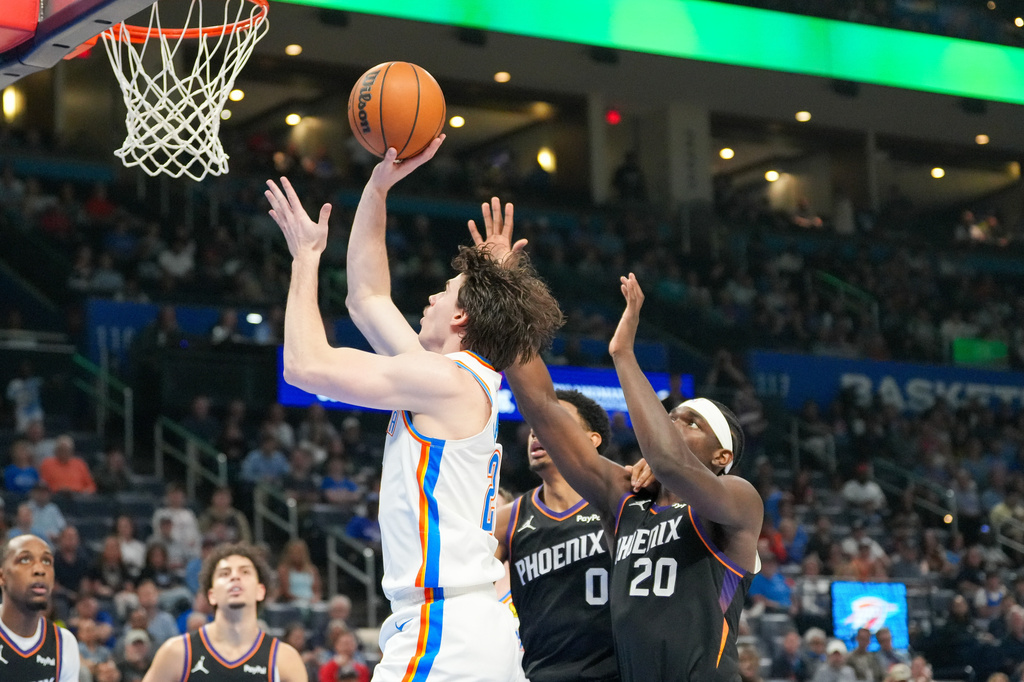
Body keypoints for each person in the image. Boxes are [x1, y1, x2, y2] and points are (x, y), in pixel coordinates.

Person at [265, 136, 562, 681]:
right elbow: (367, 297)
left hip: (446, 629)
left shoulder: (445, 381)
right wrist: (377, 187)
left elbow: (304, 365)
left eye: (444, 292)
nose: (428, 298)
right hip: (466, 624)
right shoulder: (453, 381)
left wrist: (306, 260)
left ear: (461, 321)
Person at [476, 205, 762, 681]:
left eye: (690, 423)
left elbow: (670, 461)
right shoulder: (627, 499)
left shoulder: (737, 502)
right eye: (670, 417)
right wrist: (504, 292)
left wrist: (623, 355)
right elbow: (545, 409)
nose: (673, 425)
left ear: (722, 455)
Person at [495, 389, 619, 682]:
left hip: (619, 670)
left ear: (592, 440)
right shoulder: (508, 520)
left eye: (554, 422)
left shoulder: (620, 502)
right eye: (534, 426)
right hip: (542, 673)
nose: (537, 432)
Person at [141, 542, 307, 682]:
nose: (235, 577)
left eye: (245, 572)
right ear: (211, 595)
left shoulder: (285, 659)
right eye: (225, 573)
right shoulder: (177, 653)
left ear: (260, 591)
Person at [0, 534, 81, 682]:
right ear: (2, 575)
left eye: (47, 561)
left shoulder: (63, 642)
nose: (40, 569)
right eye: (25, 559)